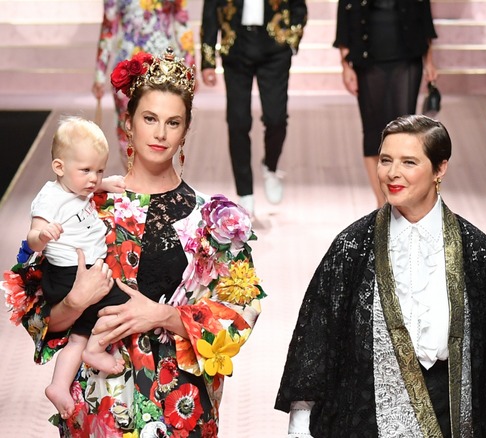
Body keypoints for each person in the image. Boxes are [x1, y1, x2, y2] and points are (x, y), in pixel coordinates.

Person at [3, 49, 265, 436]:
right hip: (100, 405)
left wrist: (160, 316)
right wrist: (76, 301)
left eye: (173, 122)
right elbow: (42, 318)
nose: (160, 133)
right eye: (149, 118)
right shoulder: (87, 208)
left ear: (185, 130)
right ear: (127, 123)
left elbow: (239, 315)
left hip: (181, 406)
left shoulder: (210, 219)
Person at [275, 115, 486, 437]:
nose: (392, 173)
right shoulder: (352, 246)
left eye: (409, 162)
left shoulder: (476, 250)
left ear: (440, 169)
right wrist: (300, 423)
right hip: (366, 416)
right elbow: (317, 334)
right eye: (386, 160)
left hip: (451, 416)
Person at [27, 116, 128, 420]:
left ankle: (58, 385)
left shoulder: (78, 188)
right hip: (70, 274)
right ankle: (96, 350)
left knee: (78, 335)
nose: (92, 179)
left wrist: (105, 183)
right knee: (121, 303)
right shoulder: (49, 198)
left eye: (98, 170)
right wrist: (42, 236)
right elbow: (33, 236)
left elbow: (90, 188)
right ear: (59, 168)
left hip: (78, 272)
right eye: (86, 171)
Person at [200, 0, 308, 214]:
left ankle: (270, 166)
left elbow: (299, 7)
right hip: (236, 45)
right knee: (238, 122)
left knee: (276, 118)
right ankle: (245, 192)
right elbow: (211, 11)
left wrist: (291, 39)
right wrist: (208, 61)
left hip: (275, 47)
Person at [335, 0, 439, 207]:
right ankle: (382, 203)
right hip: (368, 58)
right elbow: (345, 18)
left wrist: (429, 61)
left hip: (407, 57)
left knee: (404, 132)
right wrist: (346, 65)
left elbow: (423, 15)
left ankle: (399, 198)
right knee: (373, 132)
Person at [93, 0, 195, 164]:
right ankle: (133, 183)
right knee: (128, 128)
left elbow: (182, 21)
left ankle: (162, 183)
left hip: (166, 67)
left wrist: (190, 67)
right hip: (128, 70)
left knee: (166, 126)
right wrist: (99, 74)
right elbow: (108, 28)